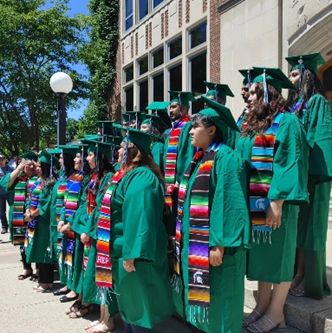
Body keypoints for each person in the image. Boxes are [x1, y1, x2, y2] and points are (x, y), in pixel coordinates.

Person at [237, 68, 309, 333]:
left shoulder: (287, 122)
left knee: (279, 255)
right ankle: (262, 305)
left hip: (277, 205)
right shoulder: (255, 124)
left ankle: (277, 312)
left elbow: (289, 161)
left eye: (255, 93)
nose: (249, 97)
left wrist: (276, 202)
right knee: (262, 256)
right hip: (257, 203)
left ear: (269, 95)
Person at [172, 96, 250, 333]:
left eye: (196, 126)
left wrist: (219, 242)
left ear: (212, 130)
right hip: (198, 245)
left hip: (217, 246)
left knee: (221, 301)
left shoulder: (226, 157)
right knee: (208, 303)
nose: (190, 131)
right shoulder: (199, 158)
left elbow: (229, 203)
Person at [110, 127, 174, 333]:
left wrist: (132, 254)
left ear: (132, 152)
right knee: (130, 307)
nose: (118, 153)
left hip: (136, 256)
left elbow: (140, 216)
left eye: (121, 148)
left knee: (140, 309)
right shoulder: (130, 175)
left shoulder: (142, 178)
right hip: (125, 251)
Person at [285, 52, 332, 299]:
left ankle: (310, 279)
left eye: (294, 74)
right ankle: (299, 272)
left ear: (307, 75)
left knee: (312, 228)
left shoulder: (318, 103)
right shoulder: (296, 105)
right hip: (300, 176)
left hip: (314, 174)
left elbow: (320, 139)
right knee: (300, 228)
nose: (290, 79)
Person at [24, 150, 58, 292]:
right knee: (39, 250)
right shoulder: (38, 182)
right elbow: (31, 199)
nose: (36, 168)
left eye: (39, 165)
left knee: (45, 251)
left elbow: (45, 204)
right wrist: (28, 211)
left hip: (43, 222)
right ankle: (43, 279)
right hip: (35, 221)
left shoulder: (50, 183)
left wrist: (32, 215)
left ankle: (46, 281)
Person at [164, 91, 196, 238]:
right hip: (170, 184)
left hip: (179, 184)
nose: (170, 110)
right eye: (170, 107)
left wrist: (180, 179)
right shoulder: (172, 130)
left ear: (184, 109)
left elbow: (187, 155)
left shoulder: (188, 126)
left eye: (174, 107)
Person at [0, 153, 38, 279]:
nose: (31, 167)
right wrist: (18, 169)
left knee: (36, 240)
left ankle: (39, 269)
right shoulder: (17, 178)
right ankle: (27, 268)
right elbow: (5, 184)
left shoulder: (39, 178)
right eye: (28, 164)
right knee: (22, 242)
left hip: (35, 215)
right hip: (19, 215)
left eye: (33, 164)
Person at [203, 82, 237, 148]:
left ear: (221, 103)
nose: (205, 103)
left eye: (210, 100)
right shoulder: (201, 122)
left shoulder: (229, 125)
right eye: (205, 100)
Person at [0, 154, 13, 233]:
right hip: (0, 193)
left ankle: (12, 225)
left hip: (8, 192)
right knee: (1, 212)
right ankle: (4, 226)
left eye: (2, 159)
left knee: (12, 208)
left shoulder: (10, 169)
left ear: (5, 160)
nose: (0, 161)